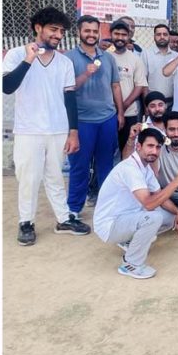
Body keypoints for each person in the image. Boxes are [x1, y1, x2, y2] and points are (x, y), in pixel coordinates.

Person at [2, 6, 90, 245]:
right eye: (53, 29)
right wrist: (29, 59)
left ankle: (63, 219)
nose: (58, 35)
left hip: (58, 129)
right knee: (29, 178)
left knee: (55, 177)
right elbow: (7, 86)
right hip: (29, 129)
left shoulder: (63, 62)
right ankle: (26, 222)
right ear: (37, 28)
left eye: (61, 31)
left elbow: (69, 97)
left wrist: (73, 131)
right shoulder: (16, 54)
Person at [93, 128, 178, 279]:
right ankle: (131, 264)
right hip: (110, 225)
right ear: (139, 147)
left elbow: (159, 195)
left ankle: (129, 241)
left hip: (127, 218)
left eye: (158, 147)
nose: (154, 151)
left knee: (170, 217)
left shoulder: (145, 168)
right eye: (150, 146)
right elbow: (149, 204)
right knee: (153, 217)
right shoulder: (130, 169)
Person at [65, 15, 125, 220]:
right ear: (79, 32)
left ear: (99, 32)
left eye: (94, 31)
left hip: (107, 119)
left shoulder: (108, 58)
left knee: (106, 165)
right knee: (79, 166)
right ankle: (74, 209)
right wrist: (86, 74)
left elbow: (115, 86)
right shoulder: (69, 58)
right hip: (82, 121)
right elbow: (67, 88)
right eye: (87, 31)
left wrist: (120, 113)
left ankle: (106, 206)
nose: (91, 35)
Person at [109, 19, 148, 153]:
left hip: (130, 112)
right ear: (111, 34)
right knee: (108, 150)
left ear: (129, 36)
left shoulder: (135, 59)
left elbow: (140, 86)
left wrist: (123, 106)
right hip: (107, 113)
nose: (120, 38)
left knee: (128, 149)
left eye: (123, 35)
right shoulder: (104, 57)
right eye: (117, 34)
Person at [141, 24, 178, 106]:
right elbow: (143, 82)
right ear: (154, 37)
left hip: (173, 103)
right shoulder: (146, 54)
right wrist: (146, 105)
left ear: (169, 36)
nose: (162, 37)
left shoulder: (176, 56)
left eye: (165, 34)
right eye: (158, 34)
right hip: (154, 105)